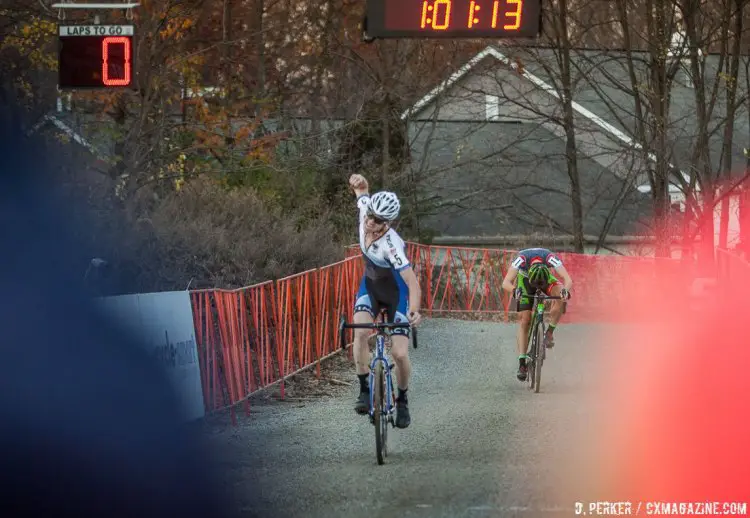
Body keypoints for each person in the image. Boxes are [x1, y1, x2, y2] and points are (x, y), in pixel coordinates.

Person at [348, 173, 422, 429]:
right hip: (369, 285)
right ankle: (364, 388)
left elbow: (412, 283)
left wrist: (413, 310)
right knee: (359, 332)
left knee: (399, 353)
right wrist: (360, 184)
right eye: (369, 216)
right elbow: (362, 193)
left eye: (377, 220)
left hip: (396, 294)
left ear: (388, 223)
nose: (370, 222)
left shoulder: (393, 245)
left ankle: (402, 400)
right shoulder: (367, 211)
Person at [501, 247, 572, 382]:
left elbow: (568, 279)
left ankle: (550, 331)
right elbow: (505, 282)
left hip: (545, 277)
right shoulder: (521, 259)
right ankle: (522, 362)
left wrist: (565, 291)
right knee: (525, 320)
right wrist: (515, 290)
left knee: (560, 296)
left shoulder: (550, 257)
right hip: (525, 281)